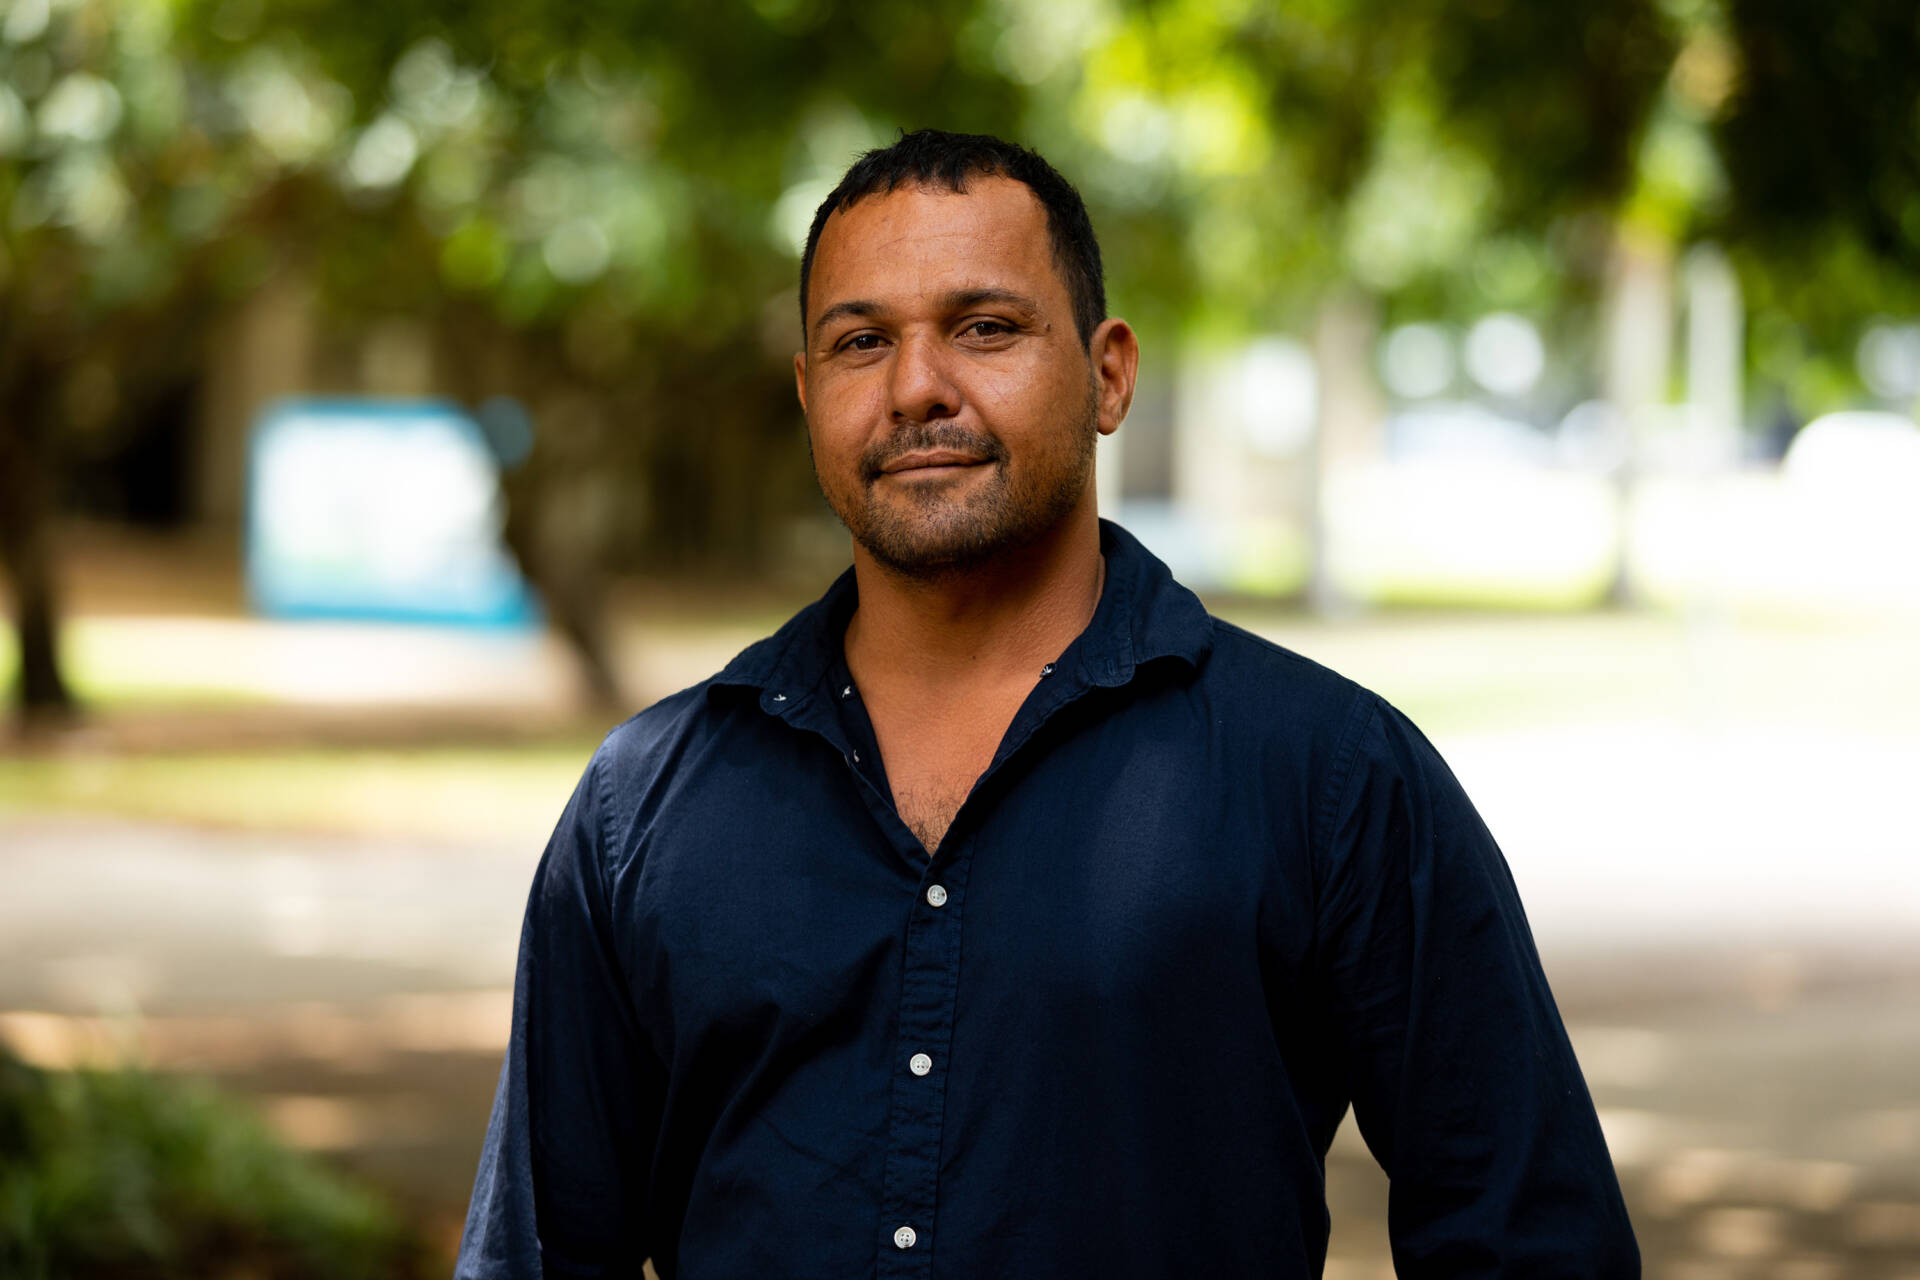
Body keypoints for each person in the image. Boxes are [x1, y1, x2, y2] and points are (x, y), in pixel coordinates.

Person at [454, 129, 1639, 1279]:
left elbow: (1529, 1236)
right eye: (862, 342)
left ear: (1108, 372)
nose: (918, 387)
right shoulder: (644, 805)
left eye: (985, 328)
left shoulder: (1328, 774)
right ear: (811, 394)